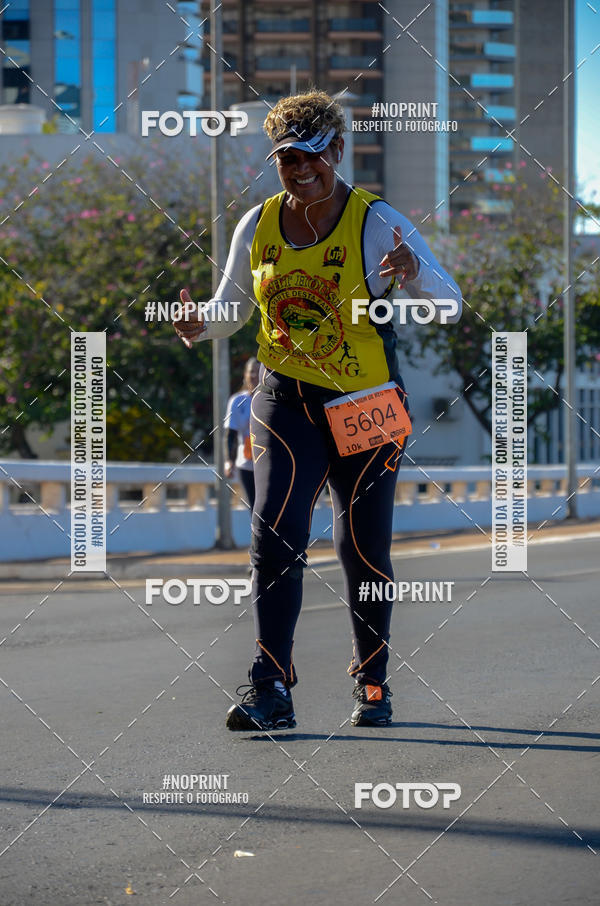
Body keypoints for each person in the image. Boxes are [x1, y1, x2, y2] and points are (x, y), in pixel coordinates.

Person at [174, 89, 461, 731]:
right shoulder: (258, 224)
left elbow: (452, 304)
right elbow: (233, 310)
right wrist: (198, 324)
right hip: (283, 397)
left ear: (336, 150)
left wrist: (413, 275)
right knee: (274, 533)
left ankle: (373, 681)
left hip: (367, 400)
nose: (301, 171)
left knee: (363, 547)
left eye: (311, 158)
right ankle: (270, 686)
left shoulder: (378, 220)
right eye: (286, 160)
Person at [224, 357, 260, 510]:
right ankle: (256, 534)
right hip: (247, 463)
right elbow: (231, 433)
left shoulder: (272, 399)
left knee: (270, 508)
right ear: (245, 375)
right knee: (255, 507)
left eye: (258, 372)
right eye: (251, 372)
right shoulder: (237, 400)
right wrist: (229, 461)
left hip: (270, 462)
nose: (254, 376)